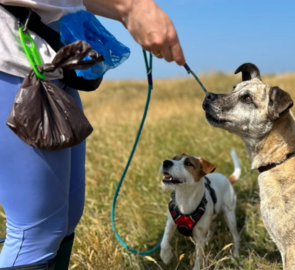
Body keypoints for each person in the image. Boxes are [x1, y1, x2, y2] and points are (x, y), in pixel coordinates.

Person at [0, 0, 185, 269]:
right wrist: (132, 7)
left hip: (55, 62)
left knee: (65, 216)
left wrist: (126, 14)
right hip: (15, 59)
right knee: (36, 230)